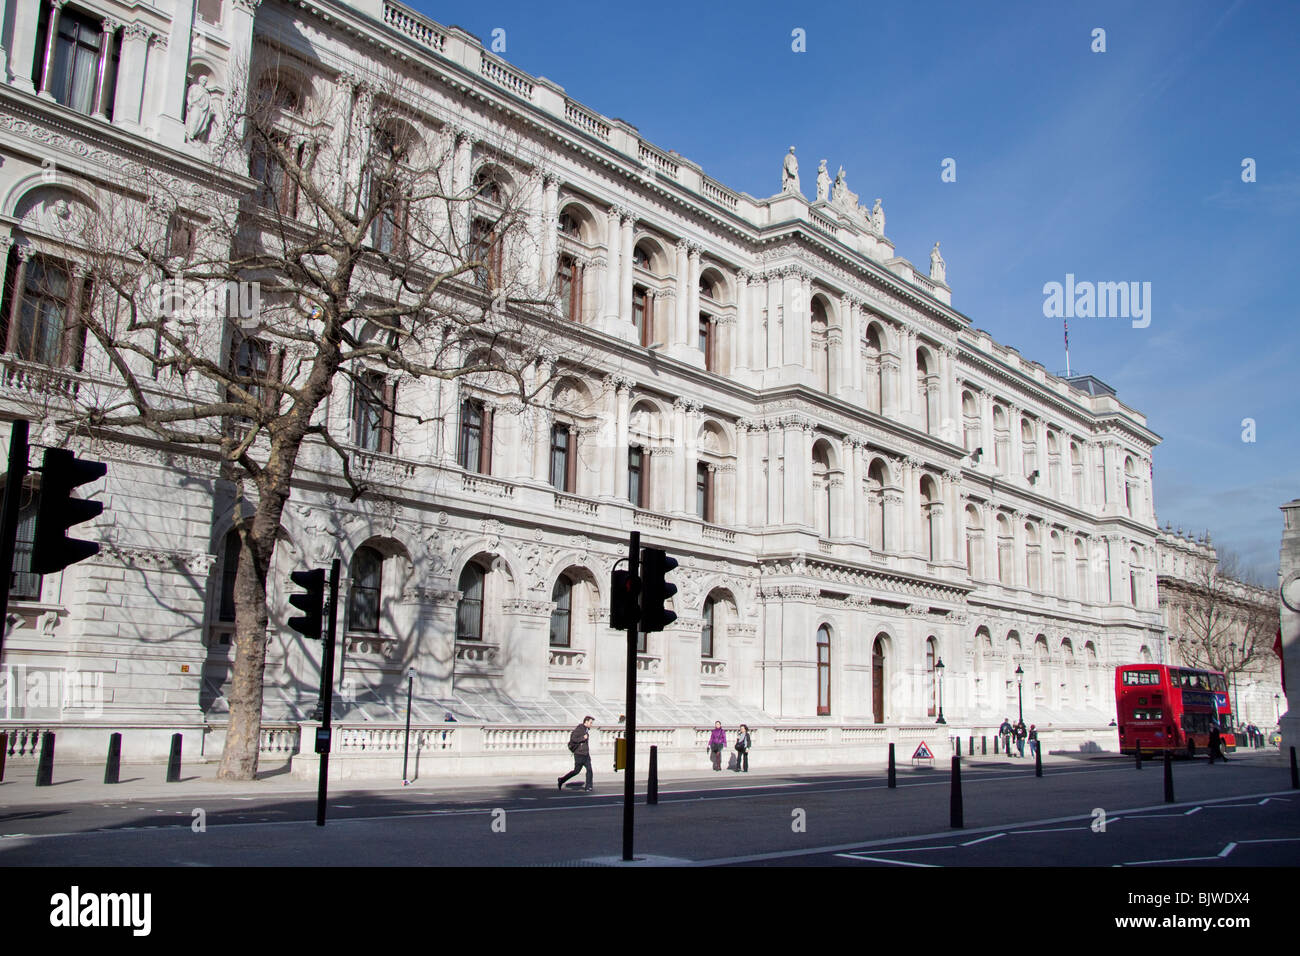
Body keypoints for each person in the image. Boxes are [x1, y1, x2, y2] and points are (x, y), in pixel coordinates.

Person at [558, 716, 595, 792]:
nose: (591, 724)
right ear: (586, 722)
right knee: (576, 771)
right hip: (579, 754)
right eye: (590, 723)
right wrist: (583, 738)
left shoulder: (586, 729)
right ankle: (561, 780)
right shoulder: (579, 729)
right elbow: (573, 739)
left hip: (585, 754)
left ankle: (588, 787)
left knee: (589, 770)